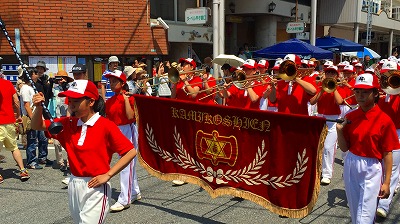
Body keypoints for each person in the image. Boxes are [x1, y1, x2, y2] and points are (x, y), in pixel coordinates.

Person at [31, 80, 137, 223]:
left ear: (91, 101)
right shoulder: (68, 123)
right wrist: (38, 108)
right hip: (74, 183)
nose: (71, 104)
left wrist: (108, 174)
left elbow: (130, 151)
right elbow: (38, 125)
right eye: (70, 100)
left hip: (97, 187)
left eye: (76, 100)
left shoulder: (106, 125)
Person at [336, 73, 399, 224]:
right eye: (357, 91)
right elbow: (344, 148)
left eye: (365, 92)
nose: (360, 95)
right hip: (351, 162)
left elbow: (387, 153)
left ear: (375, 93)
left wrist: (387, 182)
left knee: (365, 215)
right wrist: (339, 131)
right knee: (354, 210)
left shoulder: (384, 120)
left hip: (371, 167)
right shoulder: (351, 116)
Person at [103, 70, 142, 212]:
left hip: (128, 129)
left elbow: (131, 116)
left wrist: (126, 100)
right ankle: (135, 191)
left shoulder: (130, 98)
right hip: (115, 130)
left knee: (127, 165)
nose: (112, 84)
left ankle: (124, 199)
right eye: (110, 82)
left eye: (115, 82)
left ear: (122, 83)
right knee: (128, 164)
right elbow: (108, 118)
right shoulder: (110, 100)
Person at [309, 65, 343, 185]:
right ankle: (318, 171)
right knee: (318, 147)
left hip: (333, 119)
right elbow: (312, 101)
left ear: (336, 75)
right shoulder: (319, 86)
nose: (329, 75)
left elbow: (340, 101)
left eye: (332, 73)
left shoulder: (339, 87)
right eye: (328, 72)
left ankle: (327, 174)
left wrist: (334, 88)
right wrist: (322, 89)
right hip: (320, 117)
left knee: (328, 147)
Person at [0, 75, 30, 182]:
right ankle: (23, 170)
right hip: (9, 121)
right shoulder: (8, 84)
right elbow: (16, 101)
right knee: (14, 147)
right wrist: (18, 116)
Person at [53, 70, 73, 171]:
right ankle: (60, 162)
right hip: (57, 117)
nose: (61, 80)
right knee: (56, 142)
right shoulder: (54, 89)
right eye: (59, 78)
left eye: (63, 78)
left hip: (68, 118)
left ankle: (70, 162)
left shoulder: (71, 89)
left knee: (69, 141)